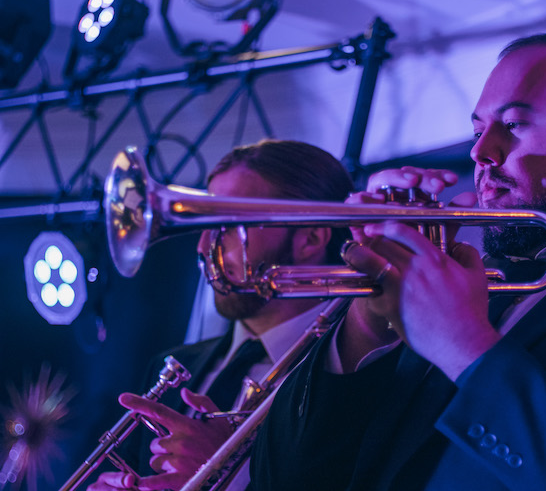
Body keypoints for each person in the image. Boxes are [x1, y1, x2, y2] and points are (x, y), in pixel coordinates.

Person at [249, 32, 546, 490]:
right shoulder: (472, 285)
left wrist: (463, 345)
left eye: (515, 124)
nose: (480, 153)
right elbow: (286, 478)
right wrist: (370, 318)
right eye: (477, 130)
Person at [88, 139, 354, 490]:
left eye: (227, 224)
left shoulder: (355, 373)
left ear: (310, 239)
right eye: (204, 223)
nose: (203, 247)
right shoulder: (170, 365)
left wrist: (230, 476)